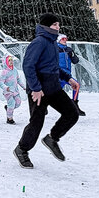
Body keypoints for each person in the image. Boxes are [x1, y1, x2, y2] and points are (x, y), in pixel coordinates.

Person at [14, 13, 80, 169]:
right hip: (39, 90)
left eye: (58, 24)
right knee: (36, 122)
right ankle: (22, 150)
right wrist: (36, 89)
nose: (58, 27)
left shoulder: (52, 43)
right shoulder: (39, 42)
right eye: (54, 25)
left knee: (72, 113)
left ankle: (52, 138)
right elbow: (28, 66)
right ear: (45, 26)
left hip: (53, 88)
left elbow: (54, 67)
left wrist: (69, 78)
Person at [57, 34, 85, 116]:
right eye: (63, 39)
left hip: (67, 75)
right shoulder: (54, 49)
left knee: (76, 86)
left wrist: (73, 54)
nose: (65, 40)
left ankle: (75, 105)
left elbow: (75, 61)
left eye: (66, 38)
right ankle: (43, 107)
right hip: (58, 74)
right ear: (59, 40)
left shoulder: (69, 49)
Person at [0, 55, 24, 124]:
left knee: (18, 103)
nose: (11, 61)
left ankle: (8, 108)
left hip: (15, 91)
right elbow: (0, 82)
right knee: (12, 104)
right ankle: (9, 119)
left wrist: (24, 86)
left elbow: (18, 79)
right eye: (9, 60)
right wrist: (6, 87)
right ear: (6, 62)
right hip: (8, 92)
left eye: (11, 60)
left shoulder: (15, 70)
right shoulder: (5, 71)